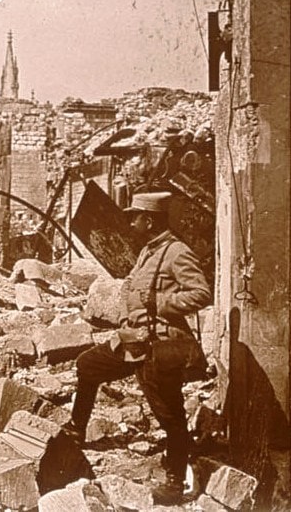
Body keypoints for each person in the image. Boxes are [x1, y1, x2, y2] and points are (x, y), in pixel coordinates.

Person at [68, 191, 212, 505]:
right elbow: (129, 286)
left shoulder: (177, 252)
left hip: (160, 345)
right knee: (88, 365)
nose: (131, 221)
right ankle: (76, 429)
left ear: (150, 220)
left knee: (170, 416)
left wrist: (161, 304)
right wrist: (123, 317)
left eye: (136, 216)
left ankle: (175, 483)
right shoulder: (147, 250)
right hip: (132, 342)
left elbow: (201, 293)